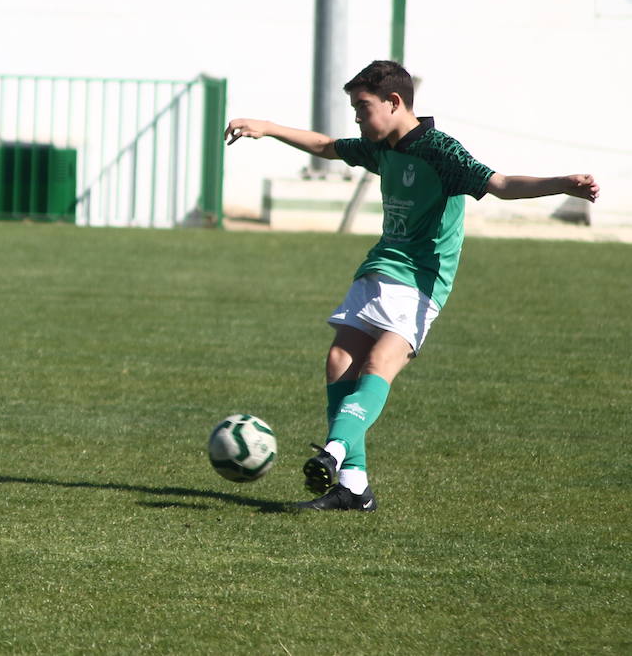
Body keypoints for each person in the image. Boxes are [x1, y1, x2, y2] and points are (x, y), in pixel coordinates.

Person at [224, 60, 598, 510]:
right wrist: (265, 127)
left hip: (422, 280)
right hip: (381, 265)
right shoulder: (380, 146)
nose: (357, 118)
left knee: (379, 362)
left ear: (394, 102)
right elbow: (325, 146)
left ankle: (335, 452)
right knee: (340, 359)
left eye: (362, 107)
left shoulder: (440, 151)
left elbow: (500, 184)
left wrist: (563, 184)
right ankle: (354, 487)